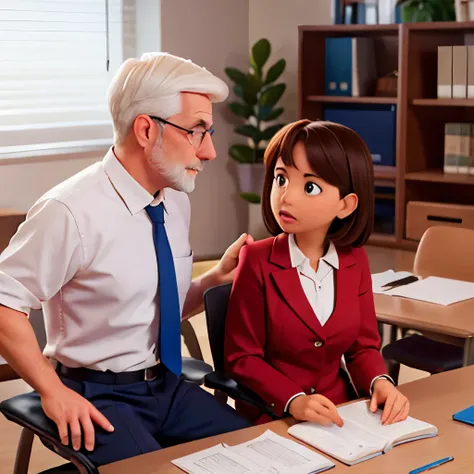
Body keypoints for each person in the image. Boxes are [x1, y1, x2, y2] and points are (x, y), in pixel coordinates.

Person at [0, 52, 252, 467]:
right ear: (146, 129)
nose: (209, 151)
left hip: (166, 386)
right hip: (94, 393)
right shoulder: (68, 211)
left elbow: (151, 310)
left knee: (259, 454)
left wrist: (211, 282)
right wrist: (52, 390)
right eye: (197, 131)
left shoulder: (173, 201)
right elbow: (5, 305)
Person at [224, 119, 410, 428]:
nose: (287, 196)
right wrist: (293, 400)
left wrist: (381, 382)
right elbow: (241, 358)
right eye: (281, 179)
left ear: (346, 205)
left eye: (309, 187)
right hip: (272, 415)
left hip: (340, 412)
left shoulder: (355, 261)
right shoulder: (255, 260)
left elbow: (362, 348)